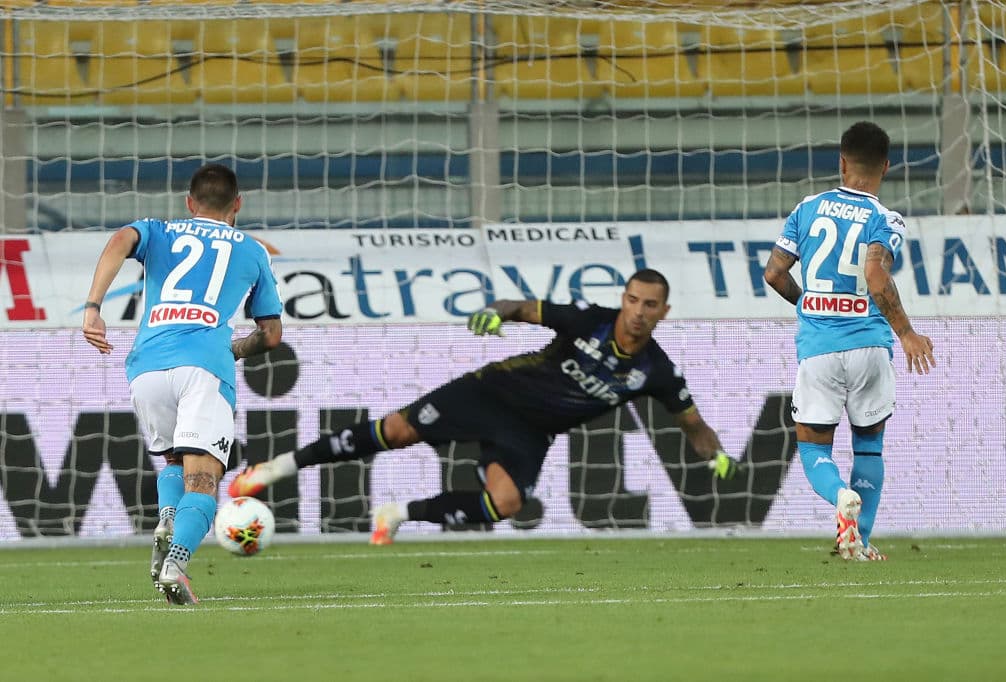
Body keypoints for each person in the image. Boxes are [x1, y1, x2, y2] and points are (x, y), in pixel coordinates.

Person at [229, 269, 737, 542]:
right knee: (396, 433)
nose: (638, 312)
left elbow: (693, 425)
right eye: (633, 300)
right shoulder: (591, 321)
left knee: (505, 505)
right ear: (624, 299)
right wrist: (493, 316)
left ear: (663, 312)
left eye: (650, 306)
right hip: (489, 393)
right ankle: (274, 468)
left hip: (530, 434)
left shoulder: (658, 371)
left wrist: (712, 452)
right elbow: (515, 306)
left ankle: (398, 514)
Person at [82, 163, 283, 603]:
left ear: (189, 203)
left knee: (174, 460)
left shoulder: (159, 230)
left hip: (146, 366)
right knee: (204, 479)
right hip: (204, 367)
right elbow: (271, 335)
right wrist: (231, 349)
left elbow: (119, 240)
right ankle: (175, 562)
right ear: (237, 205)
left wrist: (93, 307)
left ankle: (167, 516)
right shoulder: (251, 250)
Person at [763, 121, 935, 561]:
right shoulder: (886, 219)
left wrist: (808, 305)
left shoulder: (807, 208)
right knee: (869, 446)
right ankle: (859, 541)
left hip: (818, 349)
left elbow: (774, 273)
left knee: (812, 447)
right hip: (870, 348)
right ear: (886, 166)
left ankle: (839, 494)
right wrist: (907, 332)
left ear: (841, 161)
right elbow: (876, 277)